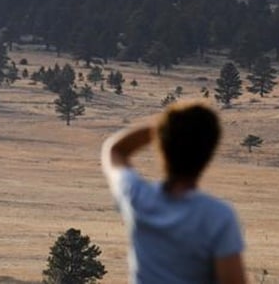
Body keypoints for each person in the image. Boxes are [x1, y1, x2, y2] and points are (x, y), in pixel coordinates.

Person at [101, 100, 246, 284]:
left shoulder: (138, 197)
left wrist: (165, 129)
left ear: (162, 146)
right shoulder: (218, 216)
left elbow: (116, 150)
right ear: (208, 153)